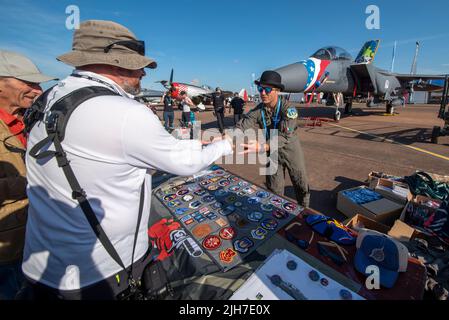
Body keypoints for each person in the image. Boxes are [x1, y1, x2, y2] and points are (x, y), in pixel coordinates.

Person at [22, 20, 233, 300]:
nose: (143, 72)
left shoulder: (50, 97)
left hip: (43, 268)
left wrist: (196, 142)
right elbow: (185, 164)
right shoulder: (125, 112)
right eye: (138, 65)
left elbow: (114, 150)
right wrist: (225, 144)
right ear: (119, 64)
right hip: (100, 273)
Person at [0, 50, 56, 299]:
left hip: (29, 242)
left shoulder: (28, 121)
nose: (37, 89)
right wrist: (38, 181)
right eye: (28, 82)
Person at [236, 70, 310, 207]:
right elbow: (243, 124)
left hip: (290, 150)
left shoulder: (289, 109)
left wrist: (263, 147)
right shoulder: (259, 110)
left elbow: (285, 135)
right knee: (273, 188)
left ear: (276, 91)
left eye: (267, 89)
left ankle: (305, 212)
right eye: (260, 88)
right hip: (272, 153)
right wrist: (226, 139)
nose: (262, 93)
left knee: (300, 183)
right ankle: (277, 211)